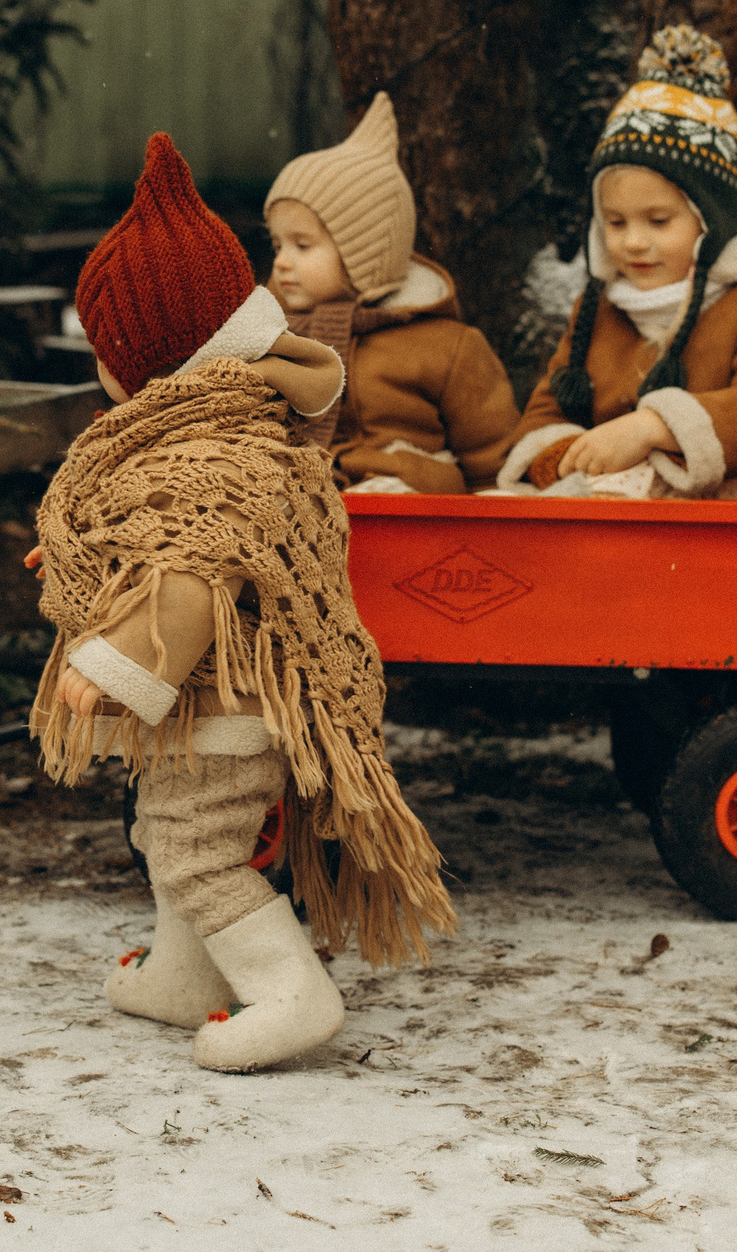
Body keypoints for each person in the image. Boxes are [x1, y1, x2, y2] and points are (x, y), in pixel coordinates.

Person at [30, 134, 456, 1073]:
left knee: (199, 853)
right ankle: (190, 979)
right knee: (165, 832)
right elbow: (149, 549)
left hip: (227, 703)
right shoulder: (201, 431)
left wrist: (110, 665)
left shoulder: (213, 456)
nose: (101, 370)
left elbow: (187, 575)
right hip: (202, 707)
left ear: (151, 355)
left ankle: (291, 993)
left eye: (108, 350)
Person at [496, 25, 737, 502]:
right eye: (616, 223)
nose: (634, 243)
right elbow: (548, 410)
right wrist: (565, 457)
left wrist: (653, 428)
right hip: (625, 503)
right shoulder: (600, 310)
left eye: (659, 221)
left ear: (711, 222)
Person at [263, 94, 521, 492]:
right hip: (290, 510)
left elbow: (494, 467)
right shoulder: (267, 337)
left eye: (303, 245)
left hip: (403, 516)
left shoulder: (445, 345)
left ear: (363, 253)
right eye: (277, 245)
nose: (281, 262)